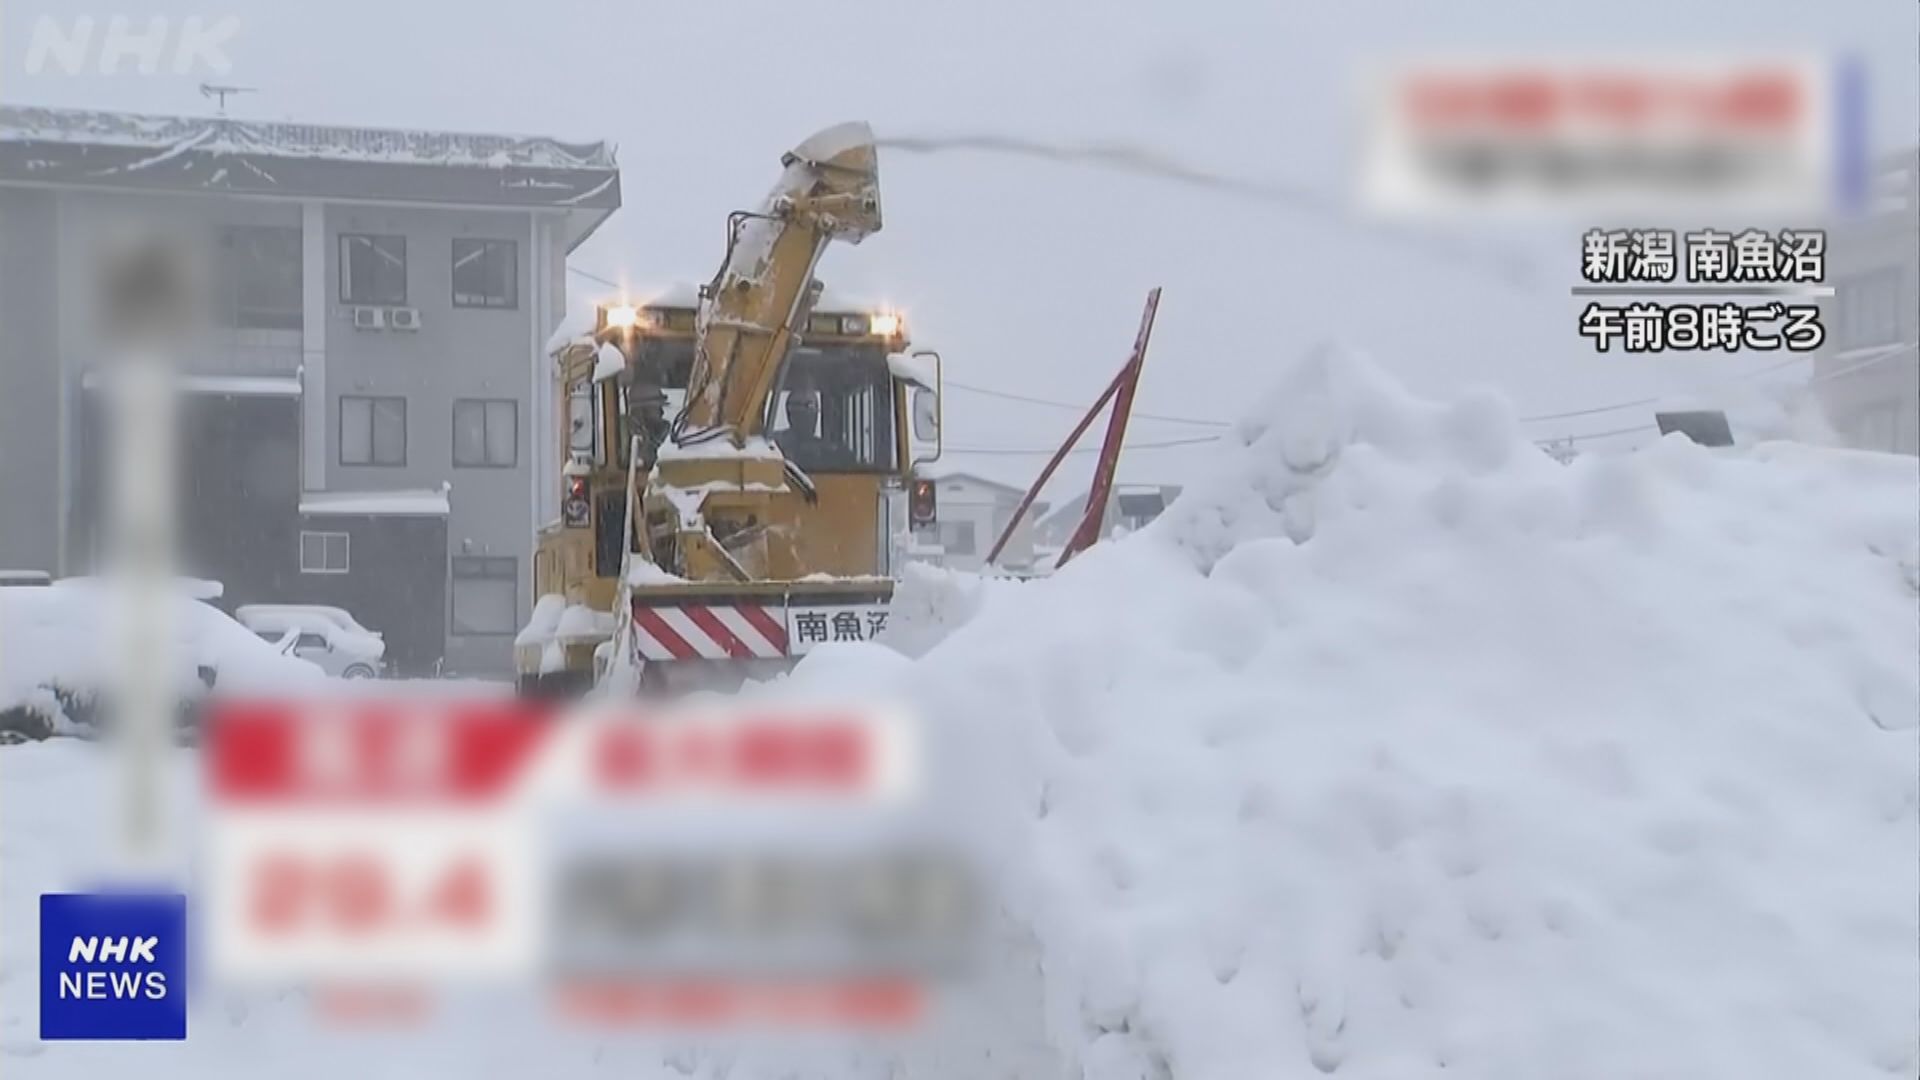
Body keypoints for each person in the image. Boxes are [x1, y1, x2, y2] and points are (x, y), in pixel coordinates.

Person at [775, 387, 836, 465]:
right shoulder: (775, 446)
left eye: (811, 408)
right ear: (790, 414)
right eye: (798, 410)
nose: (806, 415)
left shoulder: (830, 451)